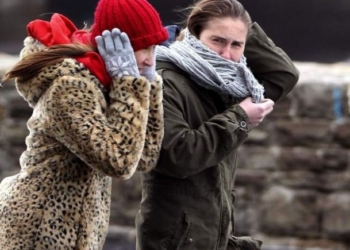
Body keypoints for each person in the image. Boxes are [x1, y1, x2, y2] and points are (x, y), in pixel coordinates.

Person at [0, 0, 168, 249]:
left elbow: (143, 158)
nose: (148, 59)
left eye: (154, 49)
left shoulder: (109, 82)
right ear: (114, 47)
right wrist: (129, 83)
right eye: (142, 48)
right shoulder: (70, 86)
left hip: (78, 230)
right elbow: (118, 162)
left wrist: (149, 86)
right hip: (39, 229)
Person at [135, 0, 299, 249]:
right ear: (193, 35)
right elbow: (177, 155)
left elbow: (283, 75)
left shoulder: (226, 82)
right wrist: (240, 118)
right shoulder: (164, 79)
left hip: (213, 232)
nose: (226, 55)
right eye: (217, 40)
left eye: (236, 45)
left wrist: (239, 28)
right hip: (176, 239)